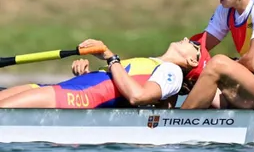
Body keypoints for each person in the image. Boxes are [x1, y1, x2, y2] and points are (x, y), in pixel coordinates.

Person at [0, 34, 210, 109]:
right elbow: (115, 86)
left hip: (73, 98)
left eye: (194, 44)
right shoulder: (155, 64)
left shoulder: (171, 71)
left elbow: (138, 96)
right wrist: (87, 74)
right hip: (64, 90)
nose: (187, 38)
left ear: (192, 61)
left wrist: (111, 57)